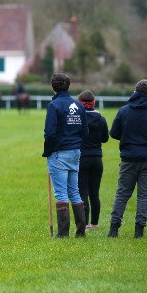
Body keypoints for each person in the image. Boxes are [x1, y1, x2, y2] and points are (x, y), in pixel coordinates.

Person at [108, 79, 147, 238]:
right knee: (144, 196)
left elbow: (114, 133)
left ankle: (113, 229)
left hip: (128, 159)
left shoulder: (124, 111)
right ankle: (139, 231)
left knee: (122, 194)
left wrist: (128, 136)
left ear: (135, 92)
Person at [42, 73, 89, 238]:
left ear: (53, 86)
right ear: (68, 85)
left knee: (61, 193)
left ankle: (62, 233)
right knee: (74, 191)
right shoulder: (79, 105)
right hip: (75, 152)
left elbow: (49, 133)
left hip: (59, 153)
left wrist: (48, 151)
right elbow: (85, 131)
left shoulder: (53, 106)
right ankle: (81, 231)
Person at [77, 90, 109, 231]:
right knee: (94, 193)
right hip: (97, 159)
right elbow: (105, 139)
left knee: (83, 192)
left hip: (82, 158)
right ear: (93, 103)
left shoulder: (78, 119)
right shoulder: (101, 119)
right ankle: (94, 224)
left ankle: (84, 225)